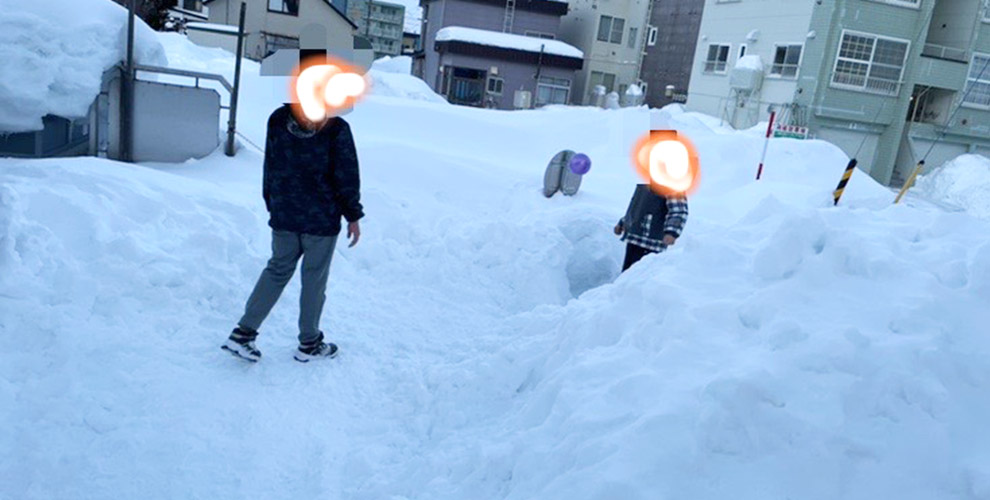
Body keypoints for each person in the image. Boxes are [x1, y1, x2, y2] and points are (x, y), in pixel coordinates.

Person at [222, 103, 364, 363]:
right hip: (320, 218)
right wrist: (353, 214)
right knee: (314, 279)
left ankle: (243, 334)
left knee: (277, 270)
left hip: (285, 212)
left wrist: (272, 203)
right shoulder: (336, 128)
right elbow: (346, 175)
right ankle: (309, 343)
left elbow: (271, 164)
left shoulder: (278, 118)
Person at [614, 184, 688, 271]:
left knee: (641, 274)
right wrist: (623, 223)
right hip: (634, 237)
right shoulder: (644, 185)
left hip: (652, 242)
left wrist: (671, 232)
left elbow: (678, 212)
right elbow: (636, 208)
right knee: (627, 274)